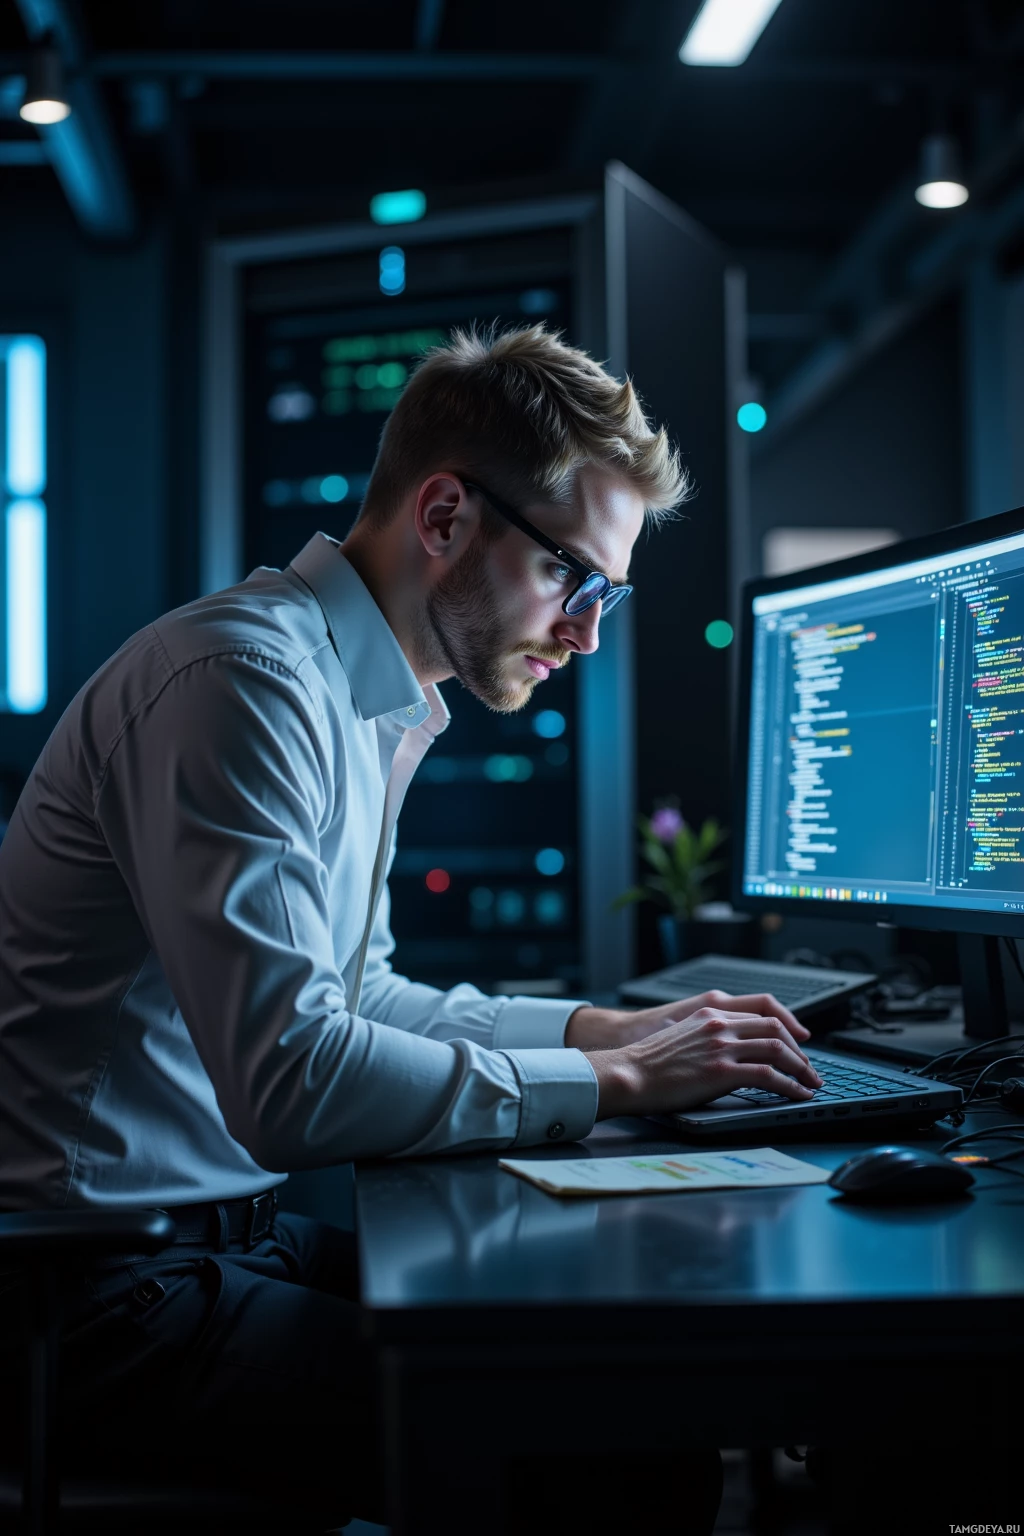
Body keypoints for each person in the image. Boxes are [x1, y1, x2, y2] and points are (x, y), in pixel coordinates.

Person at [0, 324, 821, 1531]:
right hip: (91, 1304)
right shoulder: (243, 683)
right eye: (572, 579)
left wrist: (612, 1028)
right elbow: (290, 1084)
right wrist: (607, 1078)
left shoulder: (363, 694)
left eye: (610, 593)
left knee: (616, 1357)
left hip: (209, 1248)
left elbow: (358, 997)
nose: (589, 630)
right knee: (621, 1447)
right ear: (444, 518)